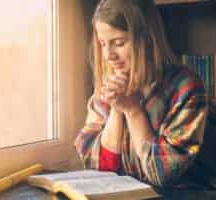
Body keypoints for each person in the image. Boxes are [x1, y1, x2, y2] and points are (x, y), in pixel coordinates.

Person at [74, 0, 208, 187]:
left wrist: (133, 110)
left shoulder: (185, 87)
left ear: (146, 39)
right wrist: (116, 108)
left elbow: (163, 173)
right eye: (103, 44)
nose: (109, 55)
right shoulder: (106, 89)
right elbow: (100, 170)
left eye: (119, 43)